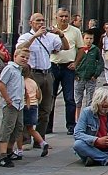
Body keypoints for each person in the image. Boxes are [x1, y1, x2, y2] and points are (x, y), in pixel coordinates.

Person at [16, 12, 69, 140]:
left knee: (46, 108)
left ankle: (40, 138)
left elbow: (65, 47)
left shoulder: (50, 37)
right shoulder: (25, 37)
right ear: (31, 23)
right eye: (38, 21)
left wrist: (61, 34)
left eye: (42, 20)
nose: (41, 23)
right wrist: (35, 36)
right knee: (29, 105)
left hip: (47, 73)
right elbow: (20, 49)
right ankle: (25, 137)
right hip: (32, 74)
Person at [73, 87, 108, 166]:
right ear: (96, 103)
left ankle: (95, 158)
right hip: (93, 146)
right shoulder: (86, 112)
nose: (105, 105)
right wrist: (97, 140)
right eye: (102, 103)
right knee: (78, 144)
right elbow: (77, 133)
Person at [50, 7, 84, 135]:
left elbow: (81, 48)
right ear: (56, 17)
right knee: (50, 97)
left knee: (69, 98)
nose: (64, 18)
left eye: (66, 16)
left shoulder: (75, 31)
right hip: (53, 65)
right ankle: (48, 126)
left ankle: (71, 125)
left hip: (68, 67)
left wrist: (75, 63)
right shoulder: (50, 31)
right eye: (61, 16)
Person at [0, 48, 30, 167]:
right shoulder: (9, 69)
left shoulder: (20, 71)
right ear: (15, 56)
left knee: (18, 128)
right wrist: (7, 99)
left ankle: (10, 150)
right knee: (7, 128)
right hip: (11, 104)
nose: (25, 59)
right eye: (23, 57)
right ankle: (3, 155)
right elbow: (1, 84)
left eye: (27, 58)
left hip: (19, 104)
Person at [15, 66, 48, 159]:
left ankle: (19, 150)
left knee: (19, 130)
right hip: (34, 106)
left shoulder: (21, 82)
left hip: (25, 106)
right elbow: (38, 94)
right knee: (31, 129)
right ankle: (42, 143)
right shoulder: (33, 82)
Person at [73, 29, 104, 121]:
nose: (89, 40)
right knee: (78, 100)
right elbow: (74, 62)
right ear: (83, 39)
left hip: (91, 78)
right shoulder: (79, 50)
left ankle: (88, 118)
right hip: (79, 77)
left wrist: (96, 74)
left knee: (90, 100)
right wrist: (75, 73)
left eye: (91, 38)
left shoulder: (95, 50)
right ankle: (77, 119)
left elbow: (100, 63)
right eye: (87, 38)